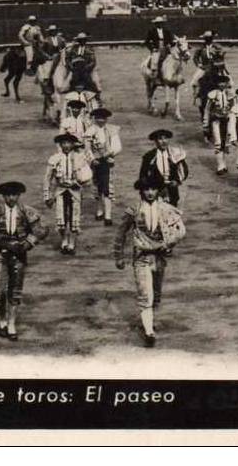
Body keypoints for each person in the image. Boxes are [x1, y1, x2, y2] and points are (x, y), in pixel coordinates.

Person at [113, 176, 186, 348]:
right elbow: (120, 233)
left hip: (159, 258)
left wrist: (170, 243)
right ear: (141, 191)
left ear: (158, 190)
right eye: (146, 189)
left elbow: (181, 230)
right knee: (146, 296)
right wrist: (119, 256)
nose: (150, 192)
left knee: (156, 295)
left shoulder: (167, 209)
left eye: (153, 189)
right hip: (141, 257)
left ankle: (149, 322)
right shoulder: (134, 210)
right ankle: (149, 332)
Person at [0, 181, 48, 341]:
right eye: (8, 195)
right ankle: (2, 320)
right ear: (3, 196)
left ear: (18, 196)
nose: (11, 198)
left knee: (15, 291)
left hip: (18, 255)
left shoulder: (26, 212)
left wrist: (27, 243)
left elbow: (41, 230)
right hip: (0, 254)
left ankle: (11, 323)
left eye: (14, 195)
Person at [43, 132, 92, 255]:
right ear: (60, 145)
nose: (66, 145)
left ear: (72, 144)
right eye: (63, 143)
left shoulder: (80, 157)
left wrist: (80, 183)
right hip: (60, 190)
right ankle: (64, 240)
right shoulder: (54, 158)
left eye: (68, 143)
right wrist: (47, 195)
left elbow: (88, 175)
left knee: (74, 216)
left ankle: (72, 242)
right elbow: (47, 177)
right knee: (61, 216)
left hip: (75, 190)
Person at [86, 107, 122, 225]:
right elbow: (87, 148)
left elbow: (117, 146)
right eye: (98, 118)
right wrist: (92, 159)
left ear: (107, 119)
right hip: (95, 163)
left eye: (103, 118)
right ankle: (99, 210)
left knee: (107, 187)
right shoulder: (90, 131)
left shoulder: (112, 130)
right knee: (96, 186)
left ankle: (108, 215)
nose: (101, 120)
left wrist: (109, 154)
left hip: (107, 161)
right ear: (95, 118)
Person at [138, 129, 189, 206]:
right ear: (155, 141)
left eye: (165, 138)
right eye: (160, 139)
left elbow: (183, 170)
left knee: (172, 213)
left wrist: (177, 181)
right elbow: (143, 175)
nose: (164, 141)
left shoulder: (175, 154)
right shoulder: (149, 156)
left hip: (172, 191)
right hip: (155, 192)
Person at [202, 74, 237, 175]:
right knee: (218, 142)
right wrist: (205, 124)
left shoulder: (231, 95)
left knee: (225, 143)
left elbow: (235, 109)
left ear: (226, 84)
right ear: (217, 84)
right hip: (216, 120)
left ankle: (224, 163)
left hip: (228, 121)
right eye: (220, 82)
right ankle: (220, 165)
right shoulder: (212, 94)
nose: (222, 84)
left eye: (224, 82)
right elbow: (207, 110)